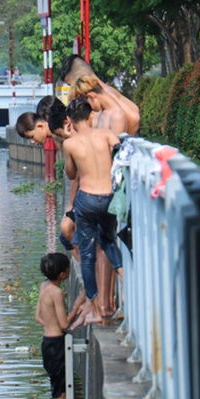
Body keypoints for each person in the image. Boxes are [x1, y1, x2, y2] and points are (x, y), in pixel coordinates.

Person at [63, 98, 123, 324]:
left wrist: (70, 138)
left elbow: (71, 174)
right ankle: (124, 277)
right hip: (109, 198)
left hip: (87, 200)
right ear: (90, 116)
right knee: (108, 241)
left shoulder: (70, 144)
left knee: (87, 258)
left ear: (69, 120)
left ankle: (97, 311)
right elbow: (120, 157)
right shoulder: (107, 134)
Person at [35, 253, 85, 399]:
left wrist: (52, 325)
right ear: (63, 274)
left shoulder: (43, 287)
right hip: (57, 345)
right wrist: (78, 304)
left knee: (58, 391)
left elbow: (38, 317)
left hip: (47, 343)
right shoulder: (56, 292)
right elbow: (65, 324)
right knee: (61, 397)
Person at [58, 54, 140, 136]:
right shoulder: (105, 92)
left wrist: (125, 142)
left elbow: (134, 117)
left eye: (71, 84)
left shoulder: (104, 93)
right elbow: (134, 109)